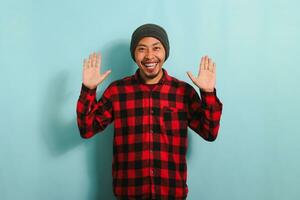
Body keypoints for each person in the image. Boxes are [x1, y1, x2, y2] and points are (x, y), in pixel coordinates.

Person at [76, 23, 223, 200]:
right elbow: (87, 129)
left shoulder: (183, 92)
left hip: (171, 193)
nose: (149, 56)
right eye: (142, 49)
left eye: (156, 48)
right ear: (134, 54)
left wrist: (208, 93)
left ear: (165, 52)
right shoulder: (117, 91)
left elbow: (210, 132)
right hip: (129, 193)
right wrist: (88, 90)